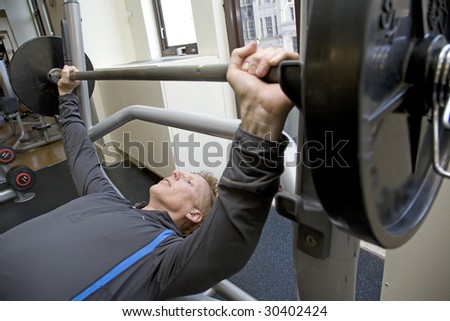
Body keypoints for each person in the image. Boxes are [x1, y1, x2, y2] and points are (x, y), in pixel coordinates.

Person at [0, 42, 299, 300]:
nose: (177, 173)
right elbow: (81, 153)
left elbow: (227, 237)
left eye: (191, 182)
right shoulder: (108, 198)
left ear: (195, 215)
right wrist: (66, 96)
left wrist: (258, 121)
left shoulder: (164, 257)